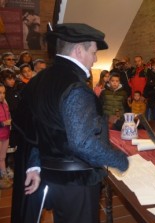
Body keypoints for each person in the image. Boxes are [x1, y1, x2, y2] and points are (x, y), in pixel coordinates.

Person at [11, 23, 129, 223]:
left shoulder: (40, 79)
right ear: (78, 50)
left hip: (52, 177)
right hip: (77, 182)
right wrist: (121, 160)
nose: (95, 58)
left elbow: (31, 128)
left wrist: (35, 165)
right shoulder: (74, 86)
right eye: (93, 52)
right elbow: (83, 143)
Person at [0, 83, 11, 189]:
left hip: (5, 135)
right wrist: (3, 123)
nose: (2, 95)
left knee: (2, 157)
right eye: (0, 93)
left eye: (3, 93)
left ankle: (4, 177)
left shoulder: (5, 104)